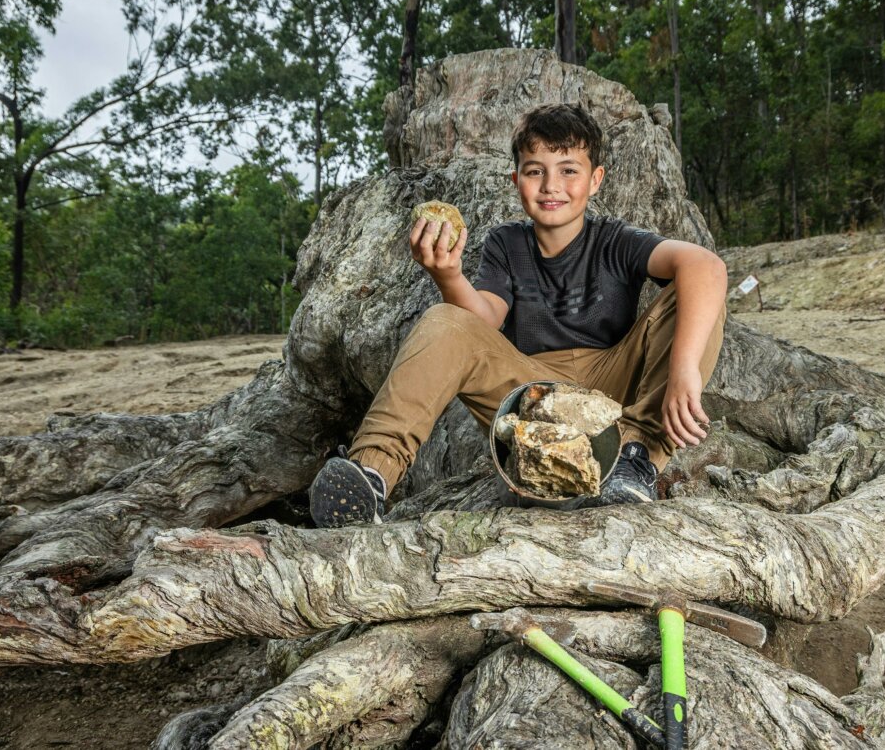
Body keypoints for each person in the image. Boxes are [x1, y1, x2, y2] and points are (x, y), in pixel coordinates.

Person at [308, 103, 729, 527]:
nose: (551, 186)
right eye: (534, 171)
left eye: (568, 170)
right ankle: (370, 475)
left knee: (697, 294)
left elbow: (706, 266)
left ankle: (634, 463)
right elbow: (482, 320)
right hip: (529, 395)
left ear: (595, 180)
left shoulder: (615, 240)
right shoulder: (506, 244)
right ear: (516, 180)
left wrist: (683, 371)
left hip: (612, 407)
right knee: (444, 318)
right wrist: (448, 274)